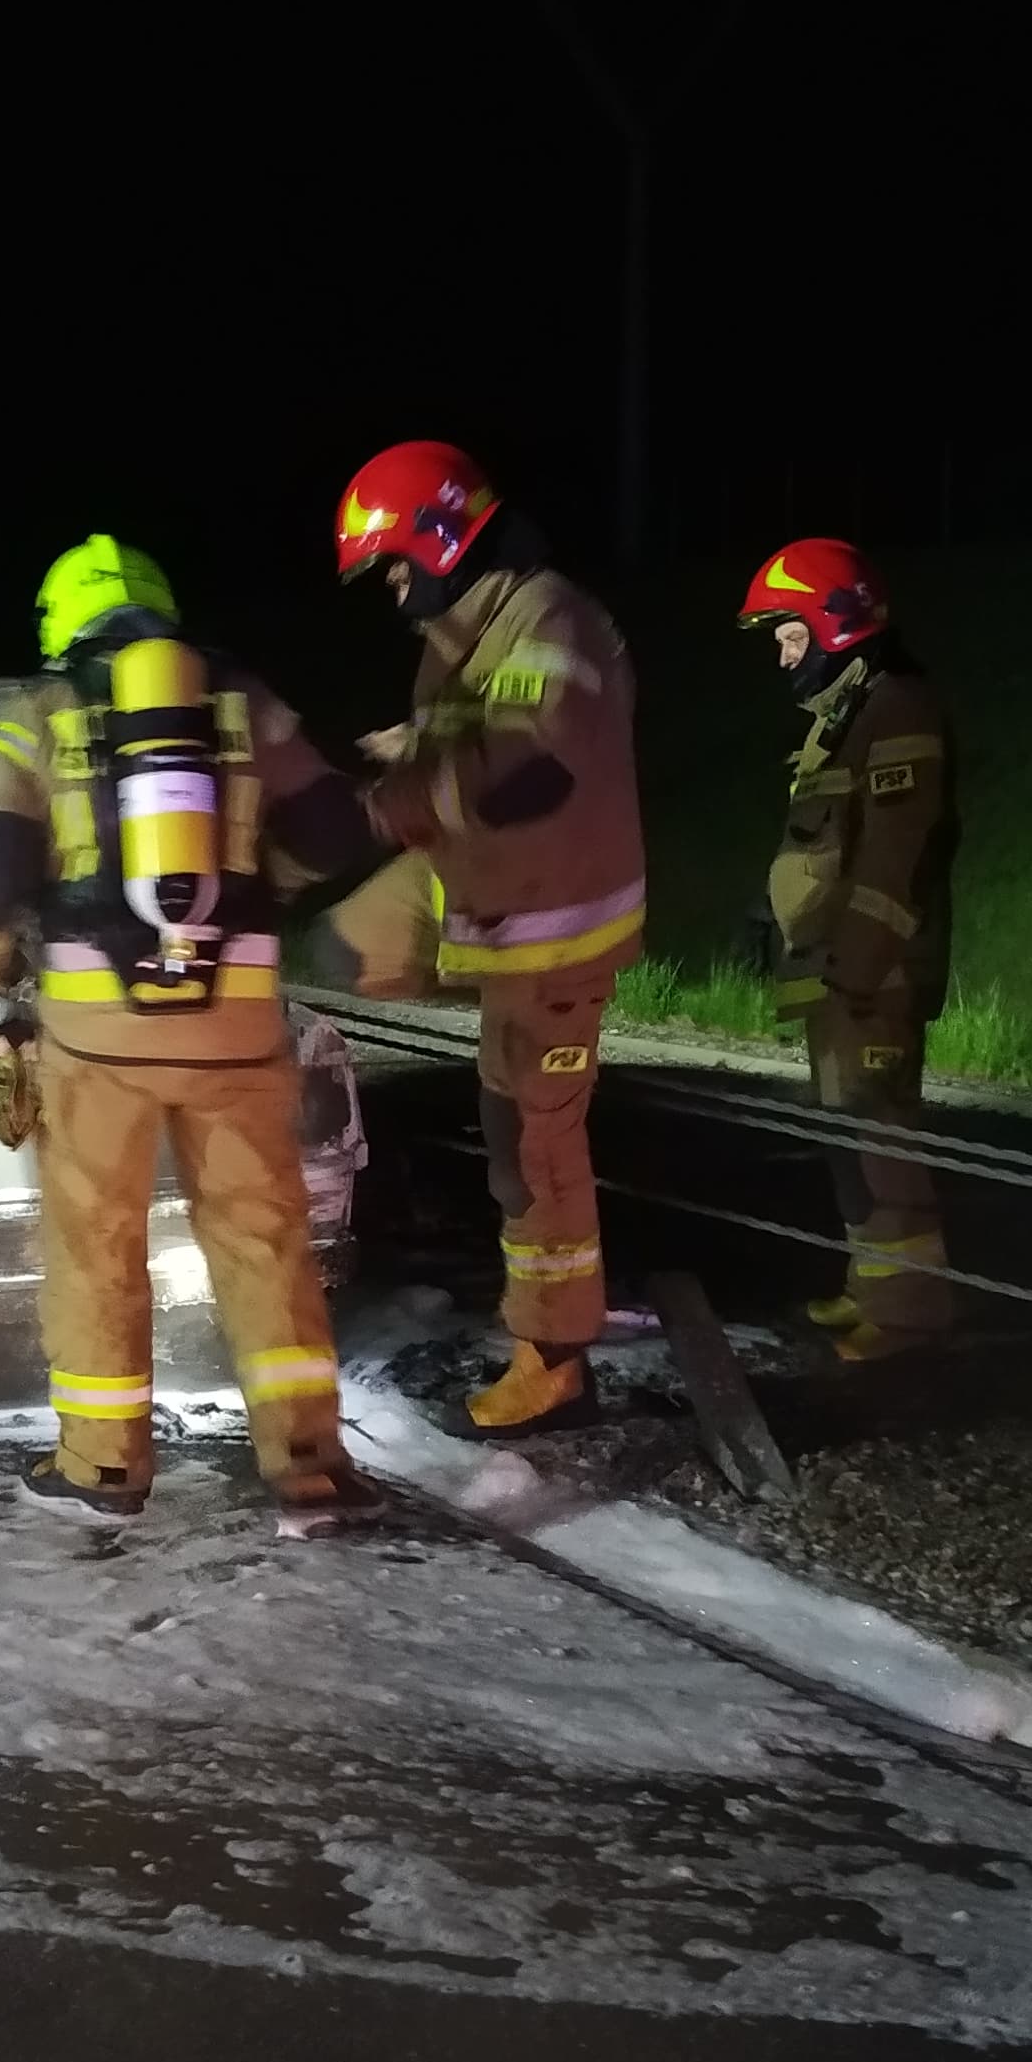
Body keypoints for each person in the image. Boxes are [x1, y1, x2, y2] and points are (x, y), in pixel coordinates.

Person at [0, 536, 386, 1532]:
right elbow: (336, 836)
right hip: (235, 1031)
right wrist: (257, 882)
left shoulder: (40, 717)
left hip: (97, 1042)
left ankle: (102, 1471)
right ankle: (310, 1469)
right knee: (265, 1245)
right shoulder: (249, 708)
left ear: (63, 625)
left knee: (98, 1246)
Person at [336, 442, 646, 1434]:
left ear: (440, 538)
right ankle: (547, 1343)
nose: (392, 592)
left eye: (393, 567)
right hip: (514, 933)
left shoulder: (549, 618)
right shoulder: (485, 628)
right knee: (515, 1139)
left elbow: (530, 764)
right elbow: (483, 742)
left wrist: (398, 798)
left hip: (558, 943)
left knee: (537, 1154)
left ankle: (554, 1366)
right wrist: (419, 752)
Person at [740, 539, 960, 1359]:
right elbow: (824, 845)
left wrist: (858, 972)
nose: (780, 652)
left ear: (836, 624)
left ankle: (907, 1316)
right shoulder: (847, 715)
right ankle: (870, 1285)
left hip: (873, 975)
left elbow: (897, 856)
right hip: (838, 969)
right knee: (850, 1139)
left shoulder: (896, 708)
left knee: (882, 1140)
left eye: (790, 634)